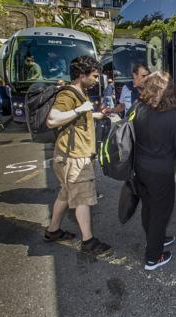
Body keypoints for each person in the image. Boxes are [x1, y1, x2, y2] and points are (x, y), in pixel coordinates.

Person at [45, 56, 111, 256]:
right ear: (81, 75)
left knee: (65, 195)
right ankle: (88, 241)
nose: (96, 80)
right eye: (94, 76)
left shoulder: (80, 92)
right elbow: (52, 119)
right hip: (74, 157)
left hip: (68, 156)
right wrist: (80, 109)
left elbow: (78, 119)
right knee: (82, 198)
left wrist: (96, 115)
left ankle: (53, 231)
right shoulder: (69, 94)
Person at [132, 71, 176, 270]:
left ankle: (155, 239)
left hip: (139, 166)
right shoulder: (173, 115)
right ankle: (153, 257)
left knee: (148, 206)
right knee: (160, 212)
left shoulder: (138, 108)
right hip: (161, 170)